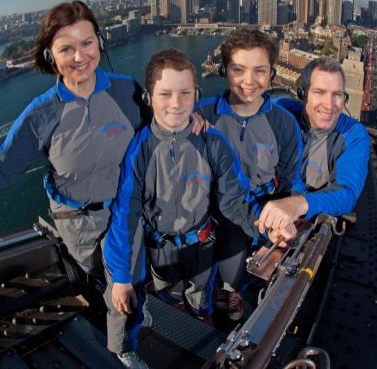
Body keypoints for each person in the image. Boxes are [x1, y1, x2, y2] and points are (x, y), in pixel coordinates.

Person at [0, 0, 151, 368]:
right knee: (112, 280)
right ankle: (125, 327)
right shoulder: (41, 113)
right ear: (51, 56)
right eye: (66, 48)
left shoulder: (127, 91)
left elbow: (159, 134)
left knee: (128, 278)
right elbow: (1, 166)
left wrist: (195, 118)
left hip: (126, 212)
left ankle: (123, 339)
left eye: (87, 43)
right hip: (78, 221)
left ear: (100, 42)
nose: (80, 56)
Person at [104, 49, 292, 358]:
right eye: (165, 94)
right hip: (161, 250)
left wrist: (265, 227)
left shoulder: (213, 141)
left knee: (199, 298)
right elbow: (125, 216)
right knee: (169, 295)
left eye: (185, 93)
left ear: (196, 96)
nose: (176, 103)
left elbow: (234, 198)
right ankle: (180, 327)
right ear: (149, 98)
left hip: (203, 247)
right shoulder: (140, 150)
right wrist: (122, 278)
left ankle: (201, 330)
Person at [197, 28, 304, 321]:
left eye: (259, 70)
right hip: (209, 211)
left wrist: (283, 220)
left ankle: (230, 291)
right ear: (224, 71)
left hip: (257, 214)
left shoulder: (283, 124)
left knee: (234, 277)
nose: (248, 80)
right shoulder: (203, 114)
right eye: (238, 69)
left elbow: (291, 179)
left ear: (271, 74)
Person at [256, 56, 371, 235]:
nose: (329, 105)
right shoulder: (278, 111)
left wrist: (301, 203)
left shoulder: (353, 135)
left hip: (299, 223)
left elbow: (347, 193)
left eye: (337, 95)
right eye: (320, 92)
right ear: (302, 95)